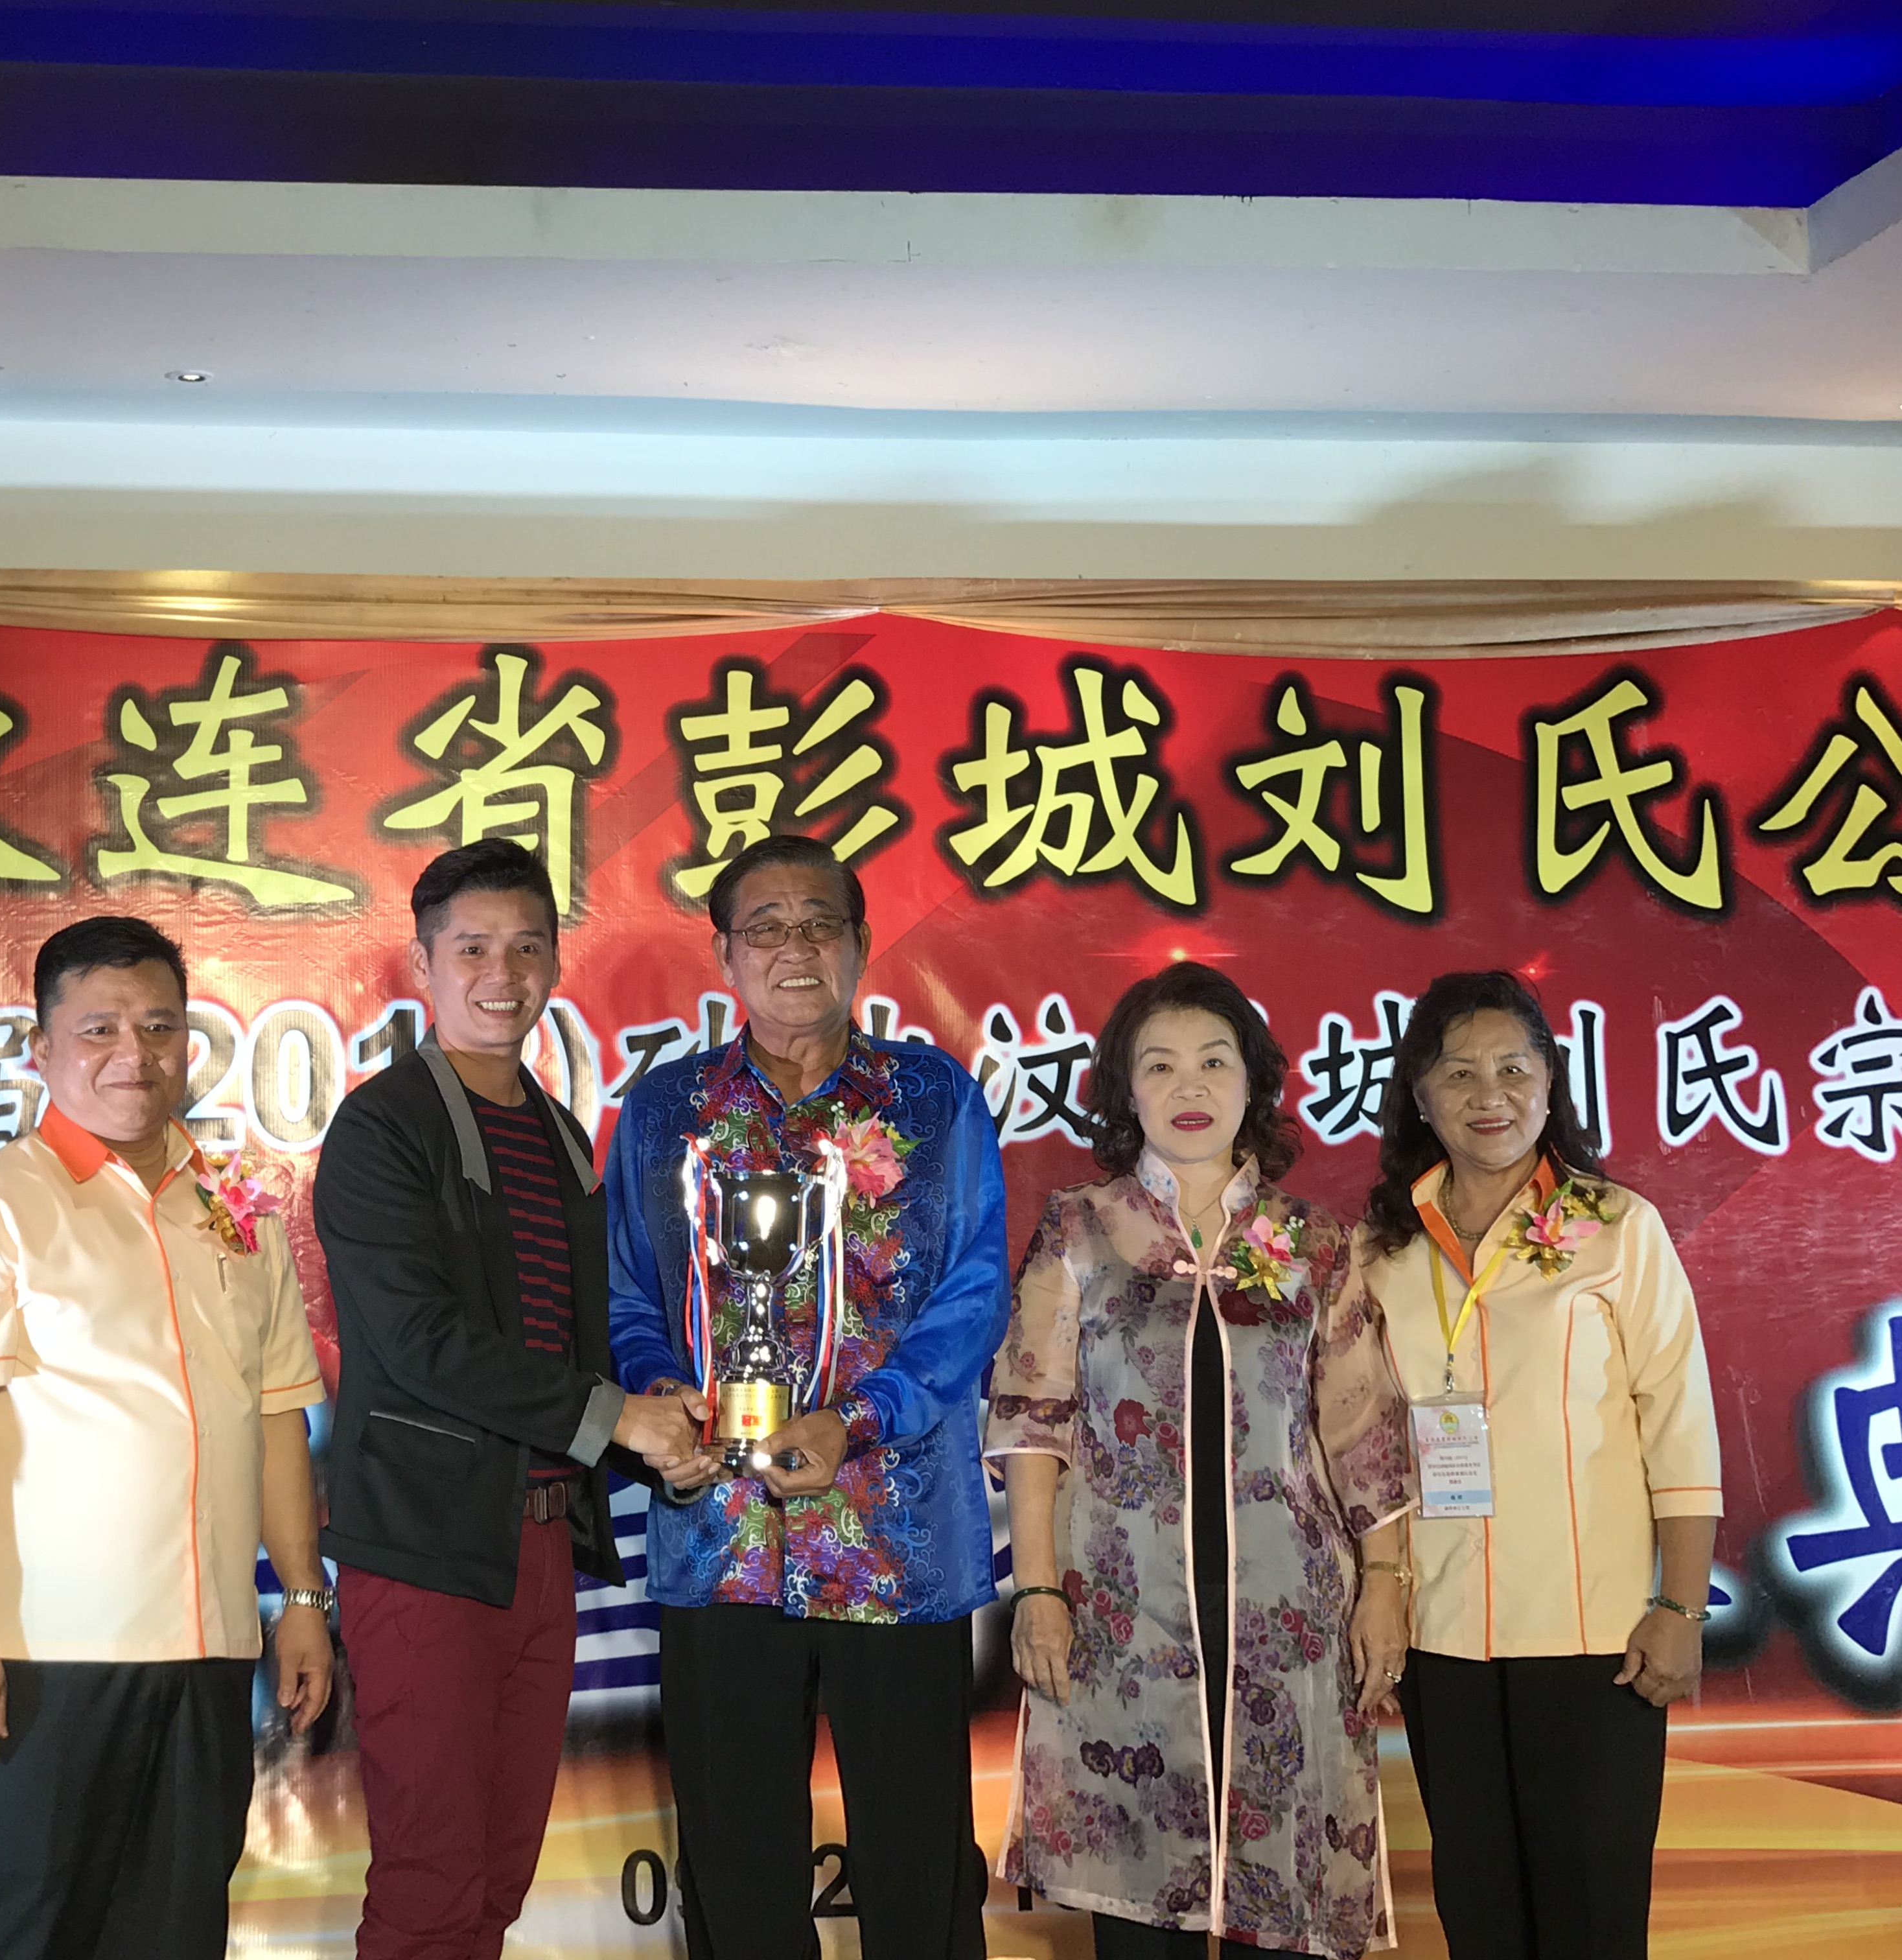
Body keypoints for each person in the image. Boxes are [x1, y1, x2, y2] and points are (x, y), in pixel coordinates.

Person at [0, 916, 332, 1960]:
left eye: (159, 1027)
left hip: (209, 1655)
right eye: (98, 1029)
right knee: (18, 1932)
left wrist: (303, 1599)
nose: (134, 1054)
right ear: (40, 1048)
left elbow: (276, 1413)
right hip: (39, 1665)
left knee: (174, 1930)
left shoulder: (240, 1210)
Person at [608, 832, 1009, 1960]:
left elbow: (973, 1294)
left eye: (819, 924)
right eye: (767, 928)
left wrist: (859, 1417)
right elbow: (629, 1295)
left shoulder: (933, 1101)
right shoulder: (667, 1111)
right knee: (736, 1869)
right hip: (719, 1532)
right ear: (725, 956)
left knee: (920, 1868)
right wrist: (664, 1400)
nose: (795, 948)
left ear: (861, 946)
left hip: (893, 1531)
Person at [316, 839, 702, 1960]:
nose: (503, 974)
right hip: (426, 1551)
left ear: (555, 966)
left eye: (528, 949)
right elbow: (422, 1344)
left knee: (496, 1880)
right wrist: (617, 1417)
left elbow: (573, 1340)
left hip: (540, 1545)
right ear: (422, 966)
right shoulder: (382, 1128)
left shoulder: (558, 1133)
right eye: (474, 949)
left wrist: (660, 1425)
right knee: (431, 1886)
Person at [987, 960, 1415, 1960]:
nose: (1190, 1086)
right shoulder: (1083, 1228)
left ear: (1253, 1083)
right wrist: (1038, 1589)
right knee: (1142, 1906)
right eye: (1161, 1065)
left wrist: (1387, 1583)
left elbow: (1363, 1431)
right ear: (1126, 1091)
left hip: (1292, 1611)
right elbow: (1034, 1421)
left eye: (1215, 1062)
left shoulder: (1312, 1243)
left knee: (1287, 1900)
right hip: (1120, 1610)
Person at [1358, 969, 1722, 1960]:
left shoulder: (1617, 1230)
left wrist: (1681, 1609)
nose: (1492, 1095)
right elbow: (1363, 1438)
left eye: (1515, 1069)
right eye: (1460, 1073)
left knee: (1591, 1915)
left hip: (1596, 1636)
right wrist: (1380, 1589)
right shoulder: (1381, 1252)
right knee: (1479, 1913)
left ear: (1552, 1084)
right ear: (1419, 1094)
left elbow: (1681, 1427)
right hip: (1442, 1632)